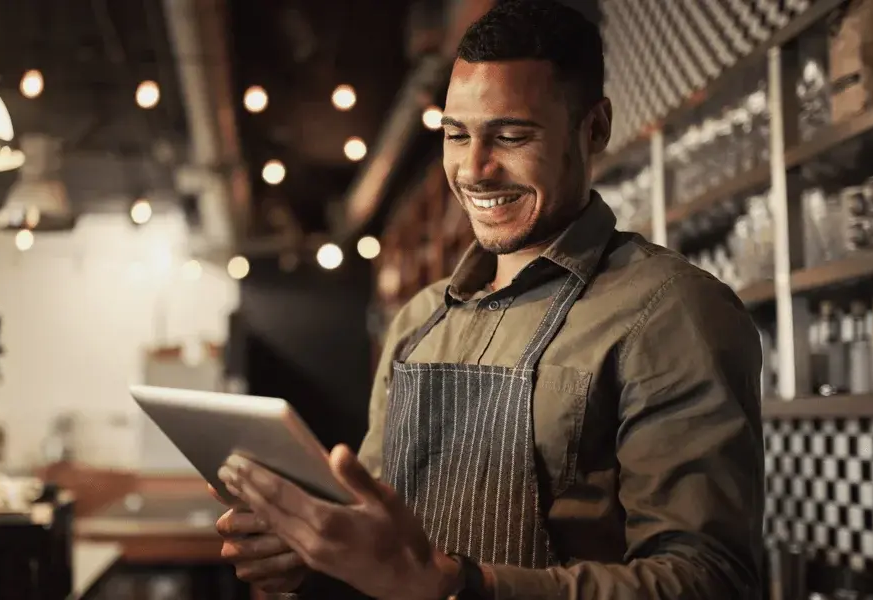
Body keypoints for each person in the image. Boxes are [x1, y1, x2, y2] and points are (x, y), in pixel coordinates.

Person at [211, 0, 766, 598]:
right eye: (456, 135)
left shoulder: (671, 312)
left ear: (595, 129)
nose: (474, 169)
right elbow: (377, 539)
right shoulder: (419, 320)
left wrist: (459, 584)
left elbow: (708, 580)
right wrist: (311, 551)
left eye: (510, 135)